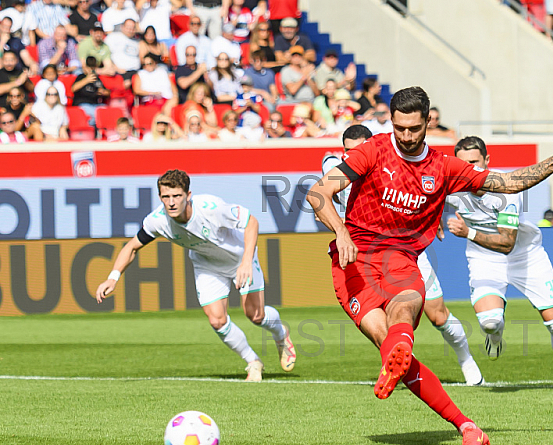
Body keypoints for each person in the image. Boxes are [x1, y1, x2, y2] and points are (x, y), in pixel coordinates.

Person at [306, 86, 553, 445]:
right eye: (399, 127)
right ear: (391, 121)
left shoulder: (444, 167)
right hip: (353, 261)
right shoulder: (372, 151)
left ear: (427, 123)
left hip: (401, 260)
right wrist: (340, 231)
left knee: (404, 309)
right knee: (389, 347)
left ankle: (455, 414)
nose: (405, 136)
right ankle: (460, 418)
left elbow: (507, 183)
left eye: (413, 129)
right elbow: (318, 192)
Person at [321, 125, 484, 386]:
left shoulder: (384, 166)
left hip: (403, 252)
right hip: (362, 258)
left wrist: (431, 216)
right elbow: (320, 197)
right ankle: (408, 368)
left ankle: (465, 359)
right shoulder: (338, 172)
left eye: (360, 149)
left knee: (437, 314)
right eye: (349, 151)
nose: (355, 154)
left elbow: (418, 194)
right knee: (382, 326)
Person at [96, 170, 297, 381]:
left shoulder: (211, 209)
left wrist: (246, 261)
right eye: (166, 197)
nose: (171, 202)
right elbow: (132, 247)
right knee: (217, 320)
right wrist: (113, 277)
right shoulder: (157, 221)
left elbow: (251, 222)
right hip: (207, 264)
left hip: (239, 258)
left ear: (188, 195)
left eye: (177, 196)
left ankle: (281, 334)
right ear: (160, 197)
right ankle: (253, 362)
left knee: (255, 316)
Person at [446, 136, 553, 391]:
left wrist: (467, 233)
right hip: (484, 258)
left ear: (487, 161)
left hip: (525, 256)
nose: (470, 169)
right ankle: (495, 333)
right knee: (490, 322)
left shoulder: (506, 191)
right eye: (463, 164)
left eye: (475, 162)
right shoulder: (452, 189)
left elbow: (506, 242)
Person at [71, 55, 109, 124]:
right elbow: (73, 88)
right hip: (83, 104)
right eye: (89, 67)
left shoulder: (97, 79)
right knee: (93, 114)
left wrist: (103, 92)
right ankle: (93, 132)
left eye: (93, 67)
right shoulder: (81, 76)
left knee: (107, 112)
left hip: (95, 104)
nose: (91, 70)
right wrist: (86, 80)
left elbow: (107, 92)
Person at [105, 18, 141, 88]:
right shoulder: (113, 37)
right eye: (128, 28)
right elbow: (106, 54)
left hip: (136, 72)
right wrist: (115, 67)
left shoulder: (137, 41)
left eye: (133, 28)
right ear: (122, 27)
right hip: (120, 72)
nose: (130, 30)